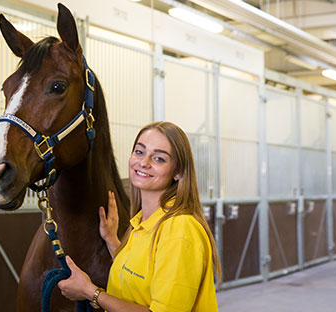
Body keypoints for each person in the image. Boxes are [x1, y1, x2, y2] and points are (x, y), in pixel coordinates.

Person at [58, 121, 221, 311]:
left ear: (177, 172)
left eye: (159, 159)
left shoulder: (179, 229)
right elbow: (139, 275)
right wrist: (111, 240)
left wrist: (90, 292)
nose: (143, 162)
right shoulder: (144, 221)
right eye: (139, 151)